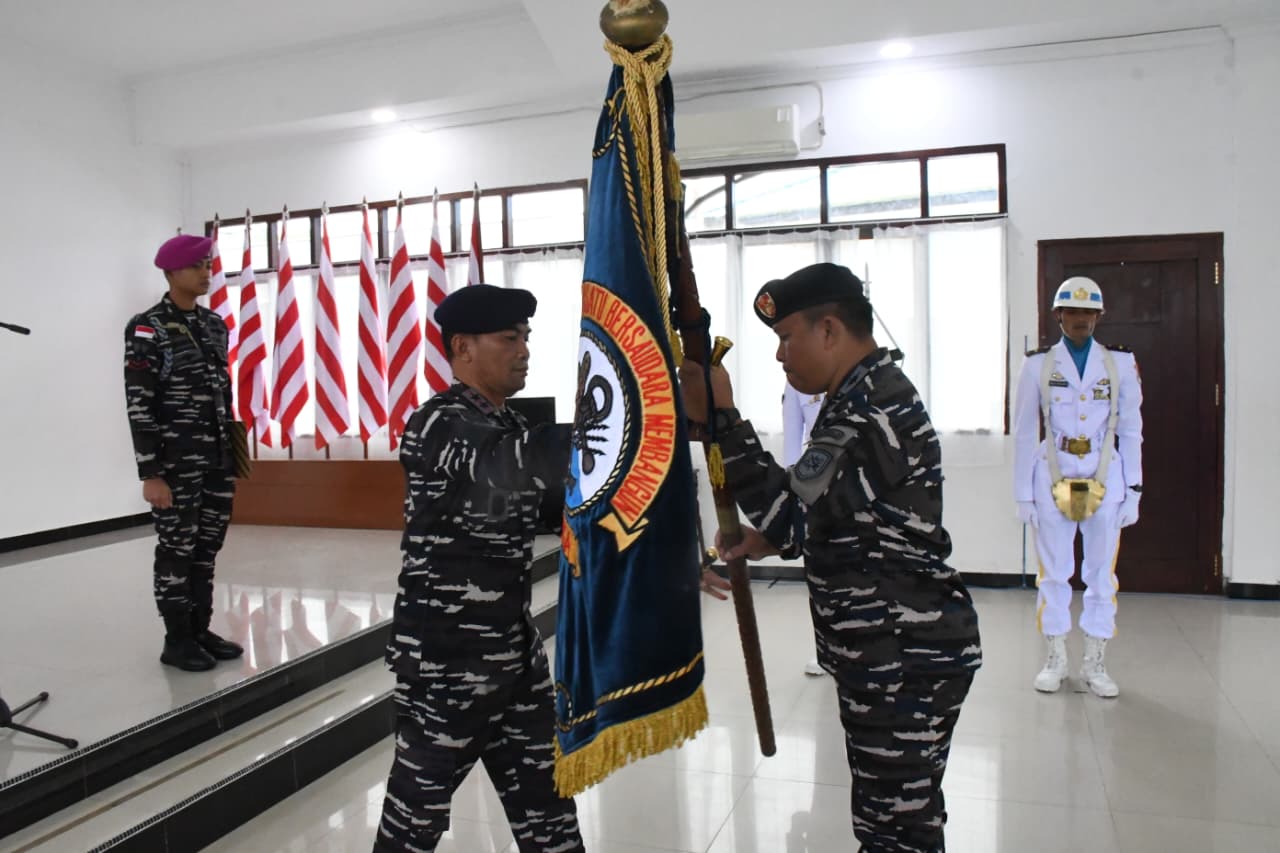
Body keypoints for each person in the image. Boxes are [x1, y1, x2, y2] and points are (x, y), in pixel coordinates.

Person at [679, 262, 982, 852]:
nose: (780, 355)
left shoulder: (872, 406)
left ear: (828, 330)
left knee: (894, 831)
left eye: (786, 337)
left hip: (900, 653)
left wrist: (722, 420)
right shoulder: (860, 395)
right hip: (893, 647)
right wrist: (770, 538)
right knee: (901, 820)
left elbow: (791, 510)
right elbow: (824, 513)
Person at [375, 284, 584, 853]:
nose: (524, 351)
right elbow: (513, 461)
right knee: (413, 823)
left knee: (549, 808)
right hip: (448, 663)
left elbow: (563, 505)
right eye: (508, 339)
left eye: (526, 338)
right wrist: (622, 418)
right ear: (462, 348)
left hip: (513, 654)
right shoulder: (438, 424)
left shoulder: (509, 423)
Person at [1012, 276, 1142, 699]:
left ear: (1099, 316)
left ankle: (1095, 662)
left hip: (1105, 476)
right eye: (1072, 311)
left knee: (1101, 575)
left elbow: (1132, 429)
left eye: (1089, 312)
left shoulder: (1119, 364)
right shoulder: (1038, 365)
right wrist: (1022, 493)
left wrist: (1135, 489)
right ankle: (1055, 659)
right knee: (1054, 574)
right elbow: (1024, 431)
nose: (1081, 319)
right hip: (1053, 475)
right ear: (1059, 315)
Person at [124, 233, 243, 673]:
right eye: (196, 266)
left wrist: (233, 455)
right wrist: (150, 473)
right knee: (177, 550)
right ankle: (176, 640)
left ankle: (199, 629)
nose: (206, 273)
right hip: (175, 464)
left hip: (216, 459)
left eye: (208, 265)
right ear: (171, 272)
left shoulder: (214, 324)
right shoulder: (147, 328)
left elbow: (223, 394)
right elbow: (140, 404)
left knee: (207, 548)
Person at [782, 380, 827, 676]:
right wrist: (793, 491)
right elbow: (791, 440)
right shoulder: (796, 382)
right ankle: (826, 652)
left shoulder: (851, 370)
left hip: (861, 484)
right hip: (816, 486)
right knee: (819, 573)